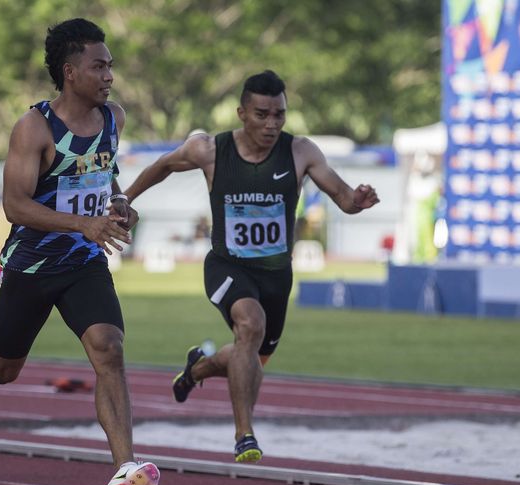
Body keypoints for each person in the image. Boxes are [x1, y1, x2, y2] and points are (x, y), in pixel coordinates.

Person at [124, 70, 380, 463]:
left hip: (276, 276)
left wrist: (358, 200)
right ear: (242, 113)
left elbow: (343, 196)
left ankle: (197, 369)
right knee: (250, 325)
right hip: (227, 266)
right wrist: (125, 199)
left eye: (279, 114)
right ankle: (244, 433)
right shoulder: (209, 150)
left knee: (250, 358)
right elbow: (164, 165)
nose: (271, 124)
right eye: (262, 114)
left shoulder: (301, 152)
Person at [0, 19, 159, 485]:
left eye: (111, 65)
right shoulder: (34, 127)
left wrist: (118, 207)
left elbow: (104, 177)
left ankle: (124, 467)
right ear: (71, 72)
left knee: (109, 347)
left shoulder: (115, 118)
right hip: (31, 266)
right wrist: (82, 224)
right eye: (100, 66)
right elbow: (15, 205)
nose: (110, 75)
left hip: (85, 263)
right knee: (3, 371)